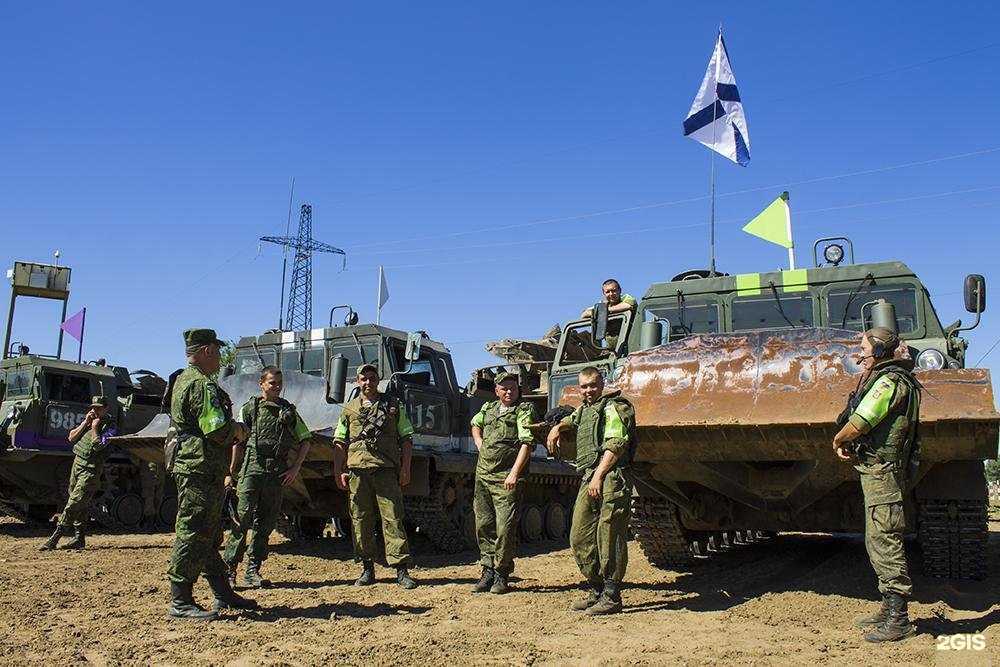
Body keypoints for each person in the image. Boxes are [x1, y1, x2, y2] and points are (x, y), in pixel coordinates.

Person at [832, 326, 920, 643]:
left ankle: (898, 619)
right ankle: (888, 608)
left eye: (865, 349)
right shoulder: (890, 378)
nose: (861, 354)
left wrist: (839, 438)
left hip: (883, 471)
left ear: (880, 351)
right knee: (876, 538)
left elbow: (861, 421)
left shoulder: (890, 382)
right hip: (878, 470)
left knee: (885, 540)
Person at [166, 328, 256, 621]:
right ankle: (180, 600)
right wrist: (240, 431)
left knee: (207, 532)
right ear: (206, 351)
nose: (219, 356)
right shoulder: (201, 385)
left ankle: (222, 592)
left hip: (197, 465)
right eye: (216, 350)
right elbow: (216, 428)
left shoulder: (182, 379)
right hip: (199, 467)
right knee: (193, 530)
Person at [546, 367, 636, 615]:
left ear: (602, 384)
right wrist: (557, 428)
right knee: (580, 534)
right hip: (590, 475)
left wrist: (598, 475)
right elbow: (571, 420)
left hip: (610, 476)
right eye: (584, 386)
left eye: (593, 385)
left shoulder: (614, 407)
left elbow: (616, 445)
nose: (588, 390)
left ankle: (611, 594)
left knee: (609, 534)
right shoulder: (584, 409)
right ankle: (596, 589)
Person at [223, 366, 313, 588]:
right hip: (252, 468)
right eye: (272, 382)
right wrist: (230, 472)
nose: (277, 386)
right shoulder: (250, 408)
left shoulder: (289, 412)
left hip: (276, 472)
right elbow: (237, 441)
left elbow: (305, 439)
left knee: (265, 523)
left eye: (279, 382)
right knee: (241, 519)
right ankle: (230, 570)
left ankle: (253, 570)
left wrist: (295, 468)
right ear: (261, 384)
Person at [333, 363, 418, 589]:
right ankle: (366, 568)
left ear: (378, 380)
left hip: (385, 470)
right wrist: (338, 470)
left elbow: (407, 438)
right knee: (360, 520)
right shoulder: (348, 409)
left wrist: (406, 468)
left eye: (372, 378)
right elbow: (340, 441)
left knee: (393, 518)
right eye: (363, 379)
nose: (368, 382)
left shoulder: (392, 405)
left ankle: (401, 570)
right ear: (357, 382)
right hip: (357, 471)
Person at [469, 371, 536, 594]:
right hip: (483, 475)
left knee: (505, 528)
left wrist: (514, 473)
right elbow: (475, 424)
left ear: (518, 391)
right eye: (504, 388)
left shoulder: (523, 411)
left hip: (505, 477)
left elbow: (527, 443)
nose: (509, 392)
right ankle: (487, 570)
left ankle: (502, 573)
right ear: (496, 391)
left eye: (513, 388)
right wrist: (479, 442)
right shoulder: (488, 409)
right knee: (483, 525)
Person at [39, 396, 117, 551]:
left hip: (91, 469)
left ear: (106, 409)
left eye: (98, 407)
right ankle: (79, 538)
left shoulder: (110, 426)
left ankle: (55, 537)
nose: (95, 410)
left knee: (74, 502)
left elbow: (98, 447)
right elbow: (71, 437)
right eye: (93, 407)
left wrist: (95, 428)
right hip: (78, 464)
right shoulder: (88, 422)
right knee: (79, 503)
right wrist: (84, 424)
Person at [579, 279, 637, 351]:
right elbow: (584, 314)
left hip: (631, 346)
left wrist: (606, 310)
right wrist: (599, 311)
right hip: (613, 349)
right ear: (604, 294)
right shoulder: (603, 304)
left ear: (620, 291)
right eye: (607, 292)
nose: (611, 294)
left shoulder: (626, 298)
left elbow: (628, 305)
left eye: (614, 291)